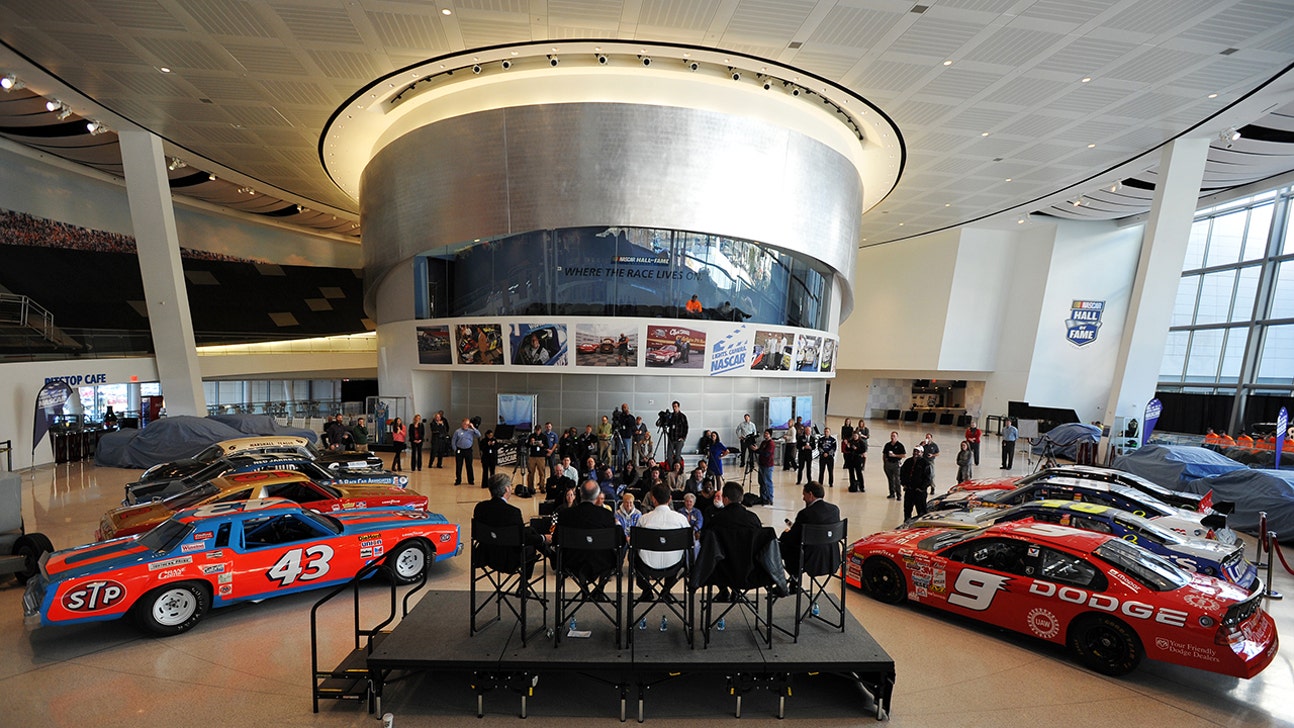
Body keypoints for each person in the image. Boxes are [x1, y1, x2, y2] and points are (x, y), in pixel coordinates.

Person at [554, 480, 625, 595]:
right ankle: (600, 588)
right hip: (602, 561)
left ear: (580, 494)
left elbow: (555, 540)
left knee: (581, 556)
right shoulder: (606, 515)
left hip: (571, 560)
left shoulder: (566, 515)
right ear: (597, 496)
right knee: (613, 557)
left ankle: (584, 587)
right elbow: (621, 540)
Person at [473, 473, 550, 574]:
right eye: (510, 486)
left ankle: (552, 556)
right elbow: (523, 539)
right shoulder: (512, 512)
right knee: (531, 546)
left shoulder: (480, 508)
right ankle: (523, 586)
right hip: (507, 558)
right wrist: (543, 538)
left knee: (530, 530)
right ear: (506, 489)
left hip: (485, 554)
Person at [633, 485, 690, 599]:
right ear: (670, 499)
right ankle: (666, 589)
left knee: (633, 556)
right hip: (674, 565)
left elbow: (635, 544)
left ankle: (647, 589)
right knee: (680, 555)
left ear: (653, 499)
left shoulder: (644, 519)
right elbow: (690, 542)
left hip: (647, 565)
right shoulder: (681, 519)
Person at [780, 481, 842, 579]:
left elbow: (793, 538)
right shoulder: (834, 510)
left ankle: (793, 579)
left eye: (804, 495)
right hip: (831, 556)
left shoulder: (805, 514)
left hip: (809, 558)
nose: (803, 498)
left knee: (781, 547)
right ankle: (794, 582)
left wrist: (784, 534)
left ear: (810, 494)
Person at [900, 445, 934, 521]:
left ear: (922, 453)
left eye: (918, 451)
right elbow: (902, 473)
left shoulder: (925, 464)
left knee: (921, 511)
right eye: (914, 451)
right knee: (907, 509)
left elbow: (928, 479)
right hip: (909, 490)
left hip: (919, 492)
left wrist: (921, 488)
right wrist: (904, 484)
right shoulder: (908, 462)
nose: (916, 453)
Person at [452, 418, 481, 486]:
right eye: (465, 424)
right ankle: (458, 480)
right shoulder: (457, 431)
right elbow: (453, 440)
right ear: (462, 424)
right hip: (460, 450)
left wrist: (473, 427)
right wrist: (455, 449)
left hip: (468, 450)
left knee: (469, 465)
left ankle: (471, 480)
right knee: (459, 466)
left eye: (467, 424)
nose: (466, 425)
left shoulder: (471, 431)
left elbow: (479, 435)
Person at [664, 401, 689, 469]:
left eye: (675, 406)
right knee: (669, 456)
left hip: (679, 439)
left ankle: (678, 470)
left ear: (678, 407)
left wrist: (683, 438)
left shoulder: (682, 416)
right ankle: (672, 469)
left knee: (677, 456)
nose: (674, 408)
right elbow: (667, 424)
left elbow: (686, 427)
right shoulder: (671, 416)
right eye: (673, 406)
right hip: (671, 439)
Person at [882, 431, 905, 500]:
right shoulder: (887, 445)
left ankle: (899, 495)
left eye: (894, 436)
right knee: (890, 479)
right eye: (892, 436)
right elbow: (884, 454)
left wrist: (895, 455)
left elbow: (903, 455)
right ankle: (892, 493)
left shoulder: (900, 445)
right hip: (888, 464)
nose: (892, 437)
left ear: (897, 437)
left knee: (897, 480)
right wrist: (885, 463)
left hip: (896, 464)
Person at [756, 428, 777, 506]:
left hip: (768, 465)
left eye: (767, 433)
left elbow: (767, 453)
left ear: (770, 435)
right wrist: (755, 449)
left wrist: (758, 451)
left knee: (767, 482)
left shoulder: (771, 443)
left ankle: (769, 498)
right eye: (765, 433)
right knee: (761, 482)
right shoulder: (763, 442)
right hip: (761, 464)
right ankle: (763, 498)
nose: (765, 435)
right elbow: (760, 451)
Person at [526, 425, 548, 492]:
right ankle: (530, 487)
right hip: (532, 456)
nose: (537, 432)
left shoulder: (544, 436)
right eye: (536, 430)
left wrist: (542, 445)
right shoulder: (531, 436)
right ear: (535, 430)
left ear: (540, 430)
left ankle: (542, 486)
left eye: (539, 430)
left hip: (541, 457)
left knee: (542, 472)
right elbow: (527, 445)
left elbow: (547, 445)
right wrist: (531, 442)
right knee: (531, 472)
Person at [613, 403, 635, 469]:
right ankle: (619, 467)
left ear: (628, 408)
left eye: (625, 407)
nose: (624, 409)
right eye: (623, 408)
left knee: (627, 453)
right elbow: (616, 424)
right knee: (619, 453)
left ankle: (626, 467)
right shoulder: (620, 416)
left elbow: (632, 425)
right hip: (620, 436)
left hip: (627, 437)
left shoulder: (631, 417)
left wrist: (628, 416)